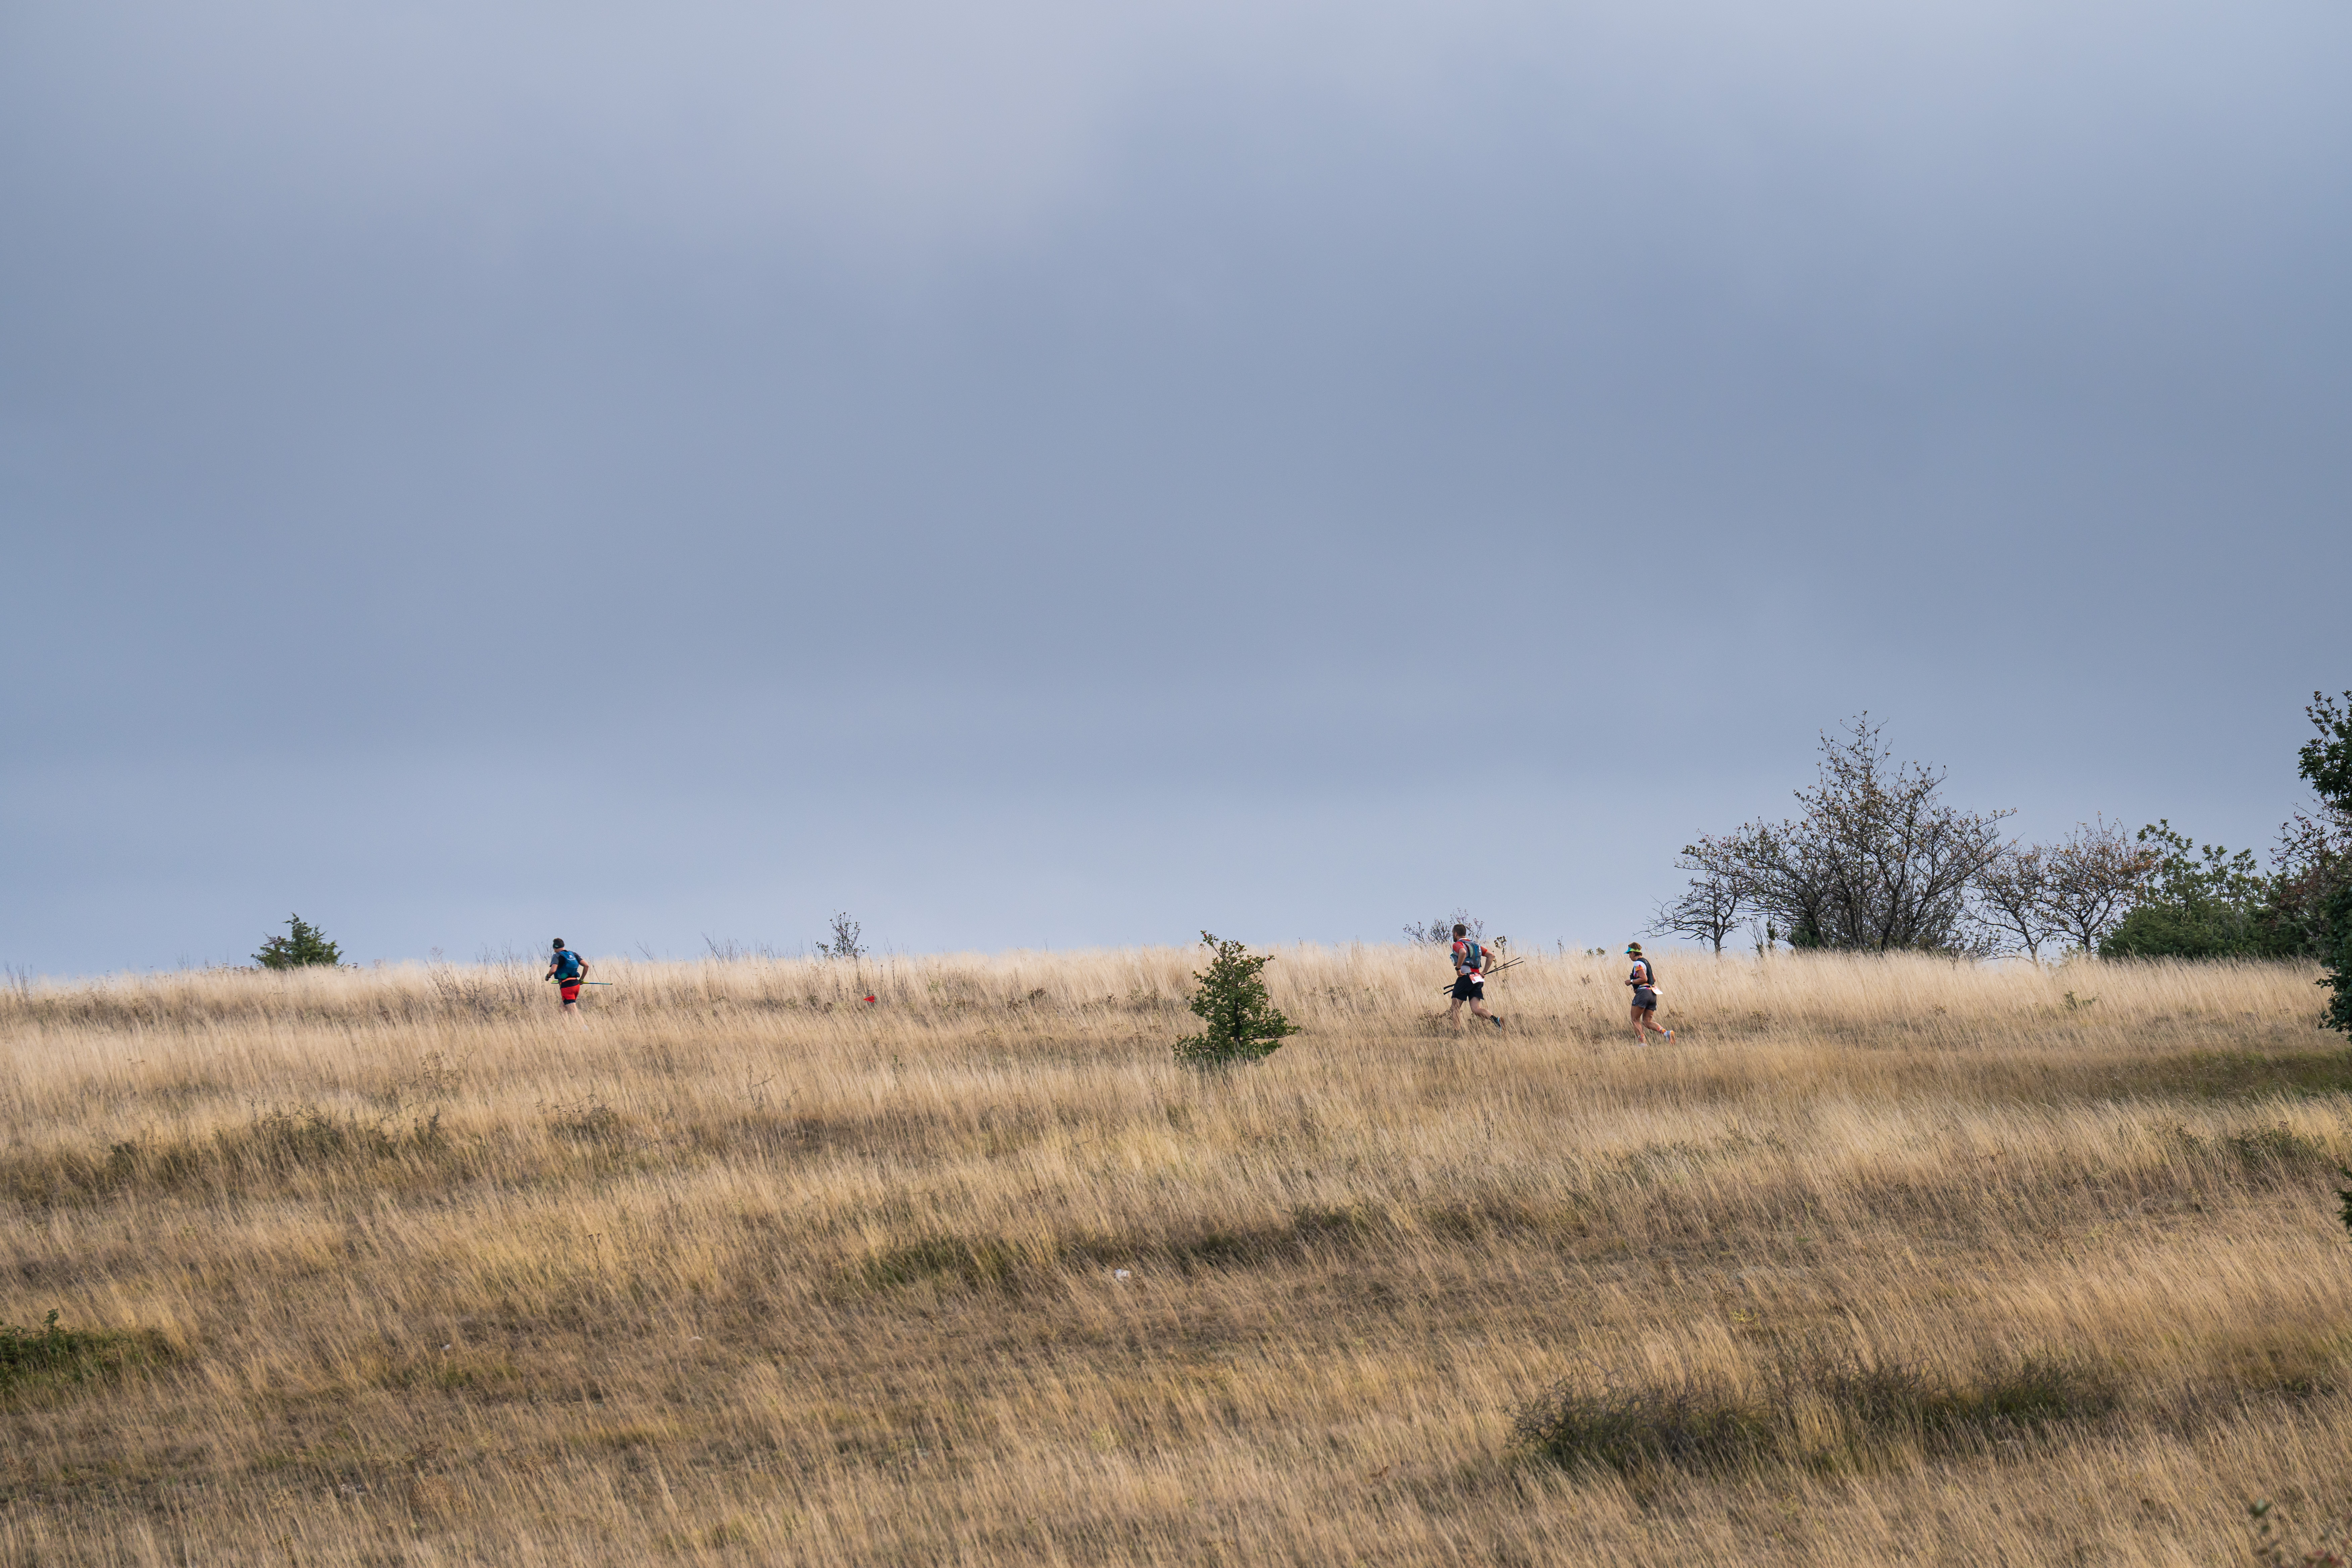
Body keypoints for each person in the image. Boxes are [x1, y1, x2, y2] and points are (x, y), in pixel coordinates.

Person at [1447, 924, 1505, 1031]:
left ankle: (1457, 1032)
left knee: (1455, 1007)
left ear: (1456, 934)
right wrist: (1484, 972)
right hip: (1477, 978)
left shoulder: (1458, 944)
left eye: (1453, 934)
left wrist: (1458, 969)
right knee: (1476, 1009)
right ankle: (1497, 1021)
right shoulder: (1476, 945)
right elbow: (1491, 956)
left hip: (1466, 977)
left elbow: (1463, 952)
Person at [1625, 942, 1671, 1045]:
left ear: (1633, 953)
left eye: (1629, 954)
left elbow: (1644, 979)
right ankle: (1667, 1033)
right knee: (1647, 1022)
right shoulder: (1646, 963)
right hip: (1653, 993)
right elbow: (1653, 979)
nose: (1629, 956)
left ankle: (1643, 1044)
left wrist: (1631, 982)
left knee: (1635, 1020)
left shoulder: (1637, 964)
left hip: (1644, 994)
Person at [546, 938, 590, 1014]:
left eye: (554, 949)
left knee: (573, 1010)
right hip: (576, 985)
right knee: (562, 1008)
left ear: (555, 947)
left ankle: (583, 1026)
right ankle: (565, 1026)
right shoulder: (573, 954)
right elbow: (586, 966)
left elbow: (553, 971)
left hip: (567, 986)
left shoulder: (557, 956)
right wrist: (581, 980)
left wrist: (548, 977)